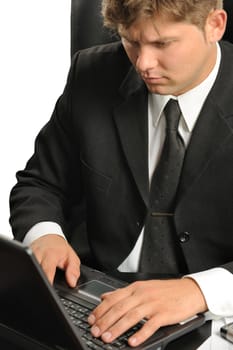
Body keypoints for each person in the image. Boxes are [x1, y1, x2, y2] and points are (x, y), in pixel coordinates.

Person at [9, 0, 233, 347]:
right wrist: (45, 236)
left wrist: (199, 291)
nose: (143, 64)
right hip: (93, 289)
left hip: (212, 314)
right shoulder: (93, 71)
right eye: (131, 41)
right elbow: (41, 183)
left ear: (215, 25)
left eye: (162, 44)